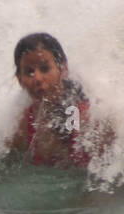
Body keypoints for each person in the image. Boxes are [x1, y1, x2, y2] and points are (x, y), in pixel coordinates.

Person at [6, 33, 111, 168]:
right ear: (20, 79)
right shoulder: (22, 128)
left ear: (63, 69)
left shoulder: (89, 118)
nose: (37, 78)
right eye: (29, 72)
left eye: (45, 69)